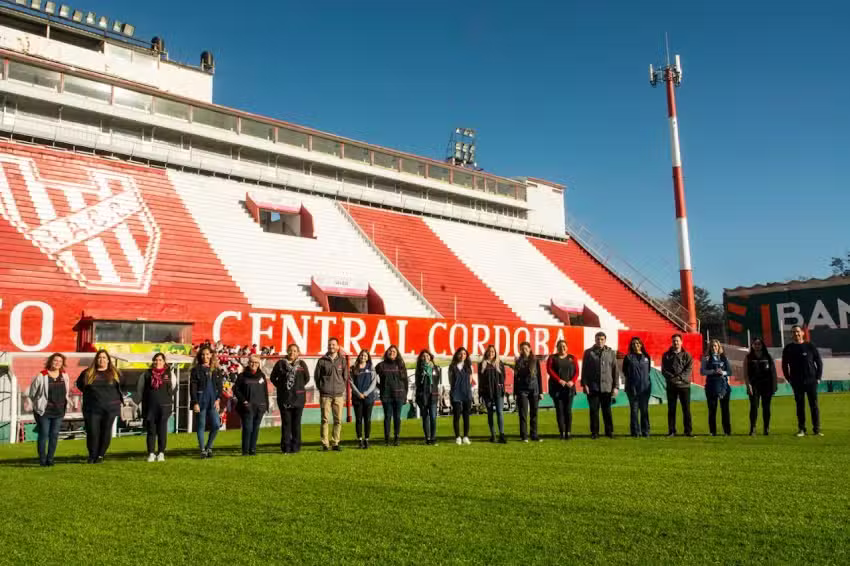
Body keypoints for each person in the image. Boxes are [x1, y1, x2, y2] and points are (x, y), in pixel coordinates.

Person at [76, 349, 124, 464]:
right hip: (92, 409)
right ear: (96, 360)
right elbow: (80, 385)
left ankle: (100, 455)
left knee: (106, 432)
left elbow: (122, 386)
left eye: (104, 357)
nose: (101, 359)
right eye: (99, 357)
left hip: (110, 409)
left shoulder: (115, 373)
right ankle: (92, 455)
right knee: (92, 432)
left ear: (108, 360)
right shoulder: (87, 373)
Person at [28, 353, 72, 467]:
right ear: (50, 362)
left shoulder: (65, 375)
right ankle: (42, 460)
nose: (57, 363)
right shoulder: (42, 375)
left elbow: (66, 392)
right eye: (55, 360)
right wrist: (38, 403)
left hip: (59, 411)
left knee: (54, 435)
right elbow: (32, 393)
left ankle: (50, 459)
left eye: (60, 361)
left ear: (62, 364)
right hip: (45, 411)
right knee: (44, 434)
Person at [782, 325, 823, 437]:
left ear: (803, 333)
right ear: (791, 334)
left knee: (814, 405)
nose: (796, 334)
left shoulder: (810, 346)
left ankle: (817, 429)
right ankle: (802, 429)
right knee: (800, 406)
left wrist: (818, 378)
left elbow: (819, 362)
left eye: (798, 332)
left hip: (811, 381)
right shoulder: (788, 348)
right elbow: (784, 365)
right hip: (797, 381)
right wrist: (789, 378)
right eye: (794, 332)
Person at [136, 353, 176, 462]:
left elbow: (173, 387)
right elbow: (140, 390)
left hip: (164, 407)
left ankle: (161, 453)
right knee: (151, 431)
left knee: (162, 430)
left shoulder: (170, 374)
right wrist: (139, 404)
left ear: (164, 362)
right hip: (150, 407)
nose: (157, 362)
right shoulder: (145, 374)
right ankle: (151, 453)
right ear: (153, 361)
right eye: (156, 360)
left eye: (160, 360)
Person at [271, 344, 310, 453]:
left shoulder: (302, 364)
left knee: (296, 423)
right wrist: (283, 387)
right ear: (287, 351)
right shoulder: (280, 364)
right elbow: (273, 378)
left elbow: (306, 378)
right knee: (286, 423)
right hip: (285, 398)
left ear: (298, 353)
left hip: (298, 397)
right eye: (290, 350)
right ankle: (286, 447)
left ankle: (296, 447)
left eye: (294, 351)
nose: (292, 353)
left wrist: (297, 386)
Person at [581, 332, 620, 439]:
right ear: (595, 340)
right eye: (598, 339)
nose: (600, 341)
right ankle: (594, 432)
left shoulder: (611, 353)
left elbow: (615, 371)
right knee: (594, 411)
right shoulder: (588, 353)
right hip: (593, 387)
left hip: (607, 387)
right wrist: (584, 384)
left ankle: (609, 431)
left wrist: (616, 386)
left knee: (607, 411)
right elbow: (584, 370)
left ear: (605, 340)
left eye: (602, 339)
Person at [189, 345, 225, 458]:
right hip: (200, 400)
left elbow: (220, 386)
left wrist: (218, 399)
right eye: (203, 354)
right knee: (201, 425)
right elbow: (193, 387)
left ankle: (209, 447)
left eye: (207, 354)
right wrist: (195, 402)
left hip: (212, 401)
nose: (205, 356)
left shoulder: (216, 370)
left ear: (211, 355)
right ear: (200, 356)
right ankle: (202, 450)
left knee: (216, 425)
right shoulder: (196, 370)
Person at [314, 337, 349, 451]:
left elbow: (345, 377)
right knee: (325, 420)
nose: (331, 347)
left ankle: (335, 443)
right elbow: (317, 377)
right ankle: (325, 443)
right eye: (329, 345)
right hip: (325, 395)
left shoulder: (343, 361)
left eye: (333, 345)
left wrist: (341, 388)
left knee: (338, 420)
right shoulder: (322, 361)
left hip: (338, 395)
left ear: (338, 347)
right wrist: (323, 388)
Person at [234, 354, 269, 456]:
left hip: (259, 406)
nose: (254, 364)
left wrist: (265, 404)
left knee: (255, 428)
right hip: (247, 407)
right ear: (248, 363)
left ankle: (252, 449)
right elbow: (236, 389)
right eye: (251, 362)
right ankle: (245, 450)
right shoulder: (242, 376)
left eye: (256, 362)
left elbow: (265, 391)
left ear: (259, 364)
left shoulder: (262, 376)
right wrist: (244, 401)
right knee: (247, 428)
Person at [743, 338, 777, 435]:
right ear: (752, 345)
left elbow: (773, 373)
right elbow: (745, 374)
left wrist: (774, 387)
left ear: (762, 345)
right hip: (754, 386)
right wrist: (748, 385)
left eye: (759, 344)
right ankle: (753, 428)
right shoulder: (748, 357)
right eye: (755, 344)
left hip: (767, 386)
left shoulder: (768, 357)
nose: (757, 346)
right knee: (754, 407)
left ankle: (766, 428)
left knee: (766, 408)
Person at [661, 334, 693, 437]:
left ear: (681, 342)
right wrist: (673, 379)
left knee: (686, 409)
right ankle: (671, 431)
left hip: (684, 386)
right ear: (672, 342)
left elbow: (688, 370)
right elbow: (664, 370)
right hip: (671, 386)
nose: (676, 343)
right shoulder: (666, 355)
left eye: (677, 341)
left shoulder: (687, 355)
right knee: (671, 409)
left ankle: (688, 431)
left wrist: (680, 378)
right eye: (674, 341)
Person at [546, 340, 578, 440]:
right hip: (556, 389)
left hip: (569, 389)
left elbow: (577, 371)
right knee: (559, 411)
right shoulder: (552, 358)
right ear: (557, 347)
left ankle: (568, 432)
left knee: (568, 410)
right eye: (560, 346)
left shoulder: (572, 358)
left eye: (564, 346)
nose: (562, 348)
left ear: (567, 347)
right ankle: (562, 432)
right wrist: (559, 380)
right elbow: (549, 370)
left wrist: (572, 381)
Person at [376, 345, 407, 446]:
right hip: (386, 395)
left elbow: (405, 381)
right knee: (387, 417)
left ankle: (397, 438)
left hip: (399, 395)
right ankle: (387, 439)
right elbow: (373, 377)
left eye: (394, 351)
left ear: (397, 353)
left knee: (397, 417)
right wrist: (380, 387)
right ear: (387, 353)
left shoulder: (401, 365)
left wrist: (405, 395)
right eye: (390, 351)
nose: (392, 353)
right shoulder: (381, 365)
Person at [513, 342, 543, 442]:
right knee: (523, 413)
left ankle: (534, 435)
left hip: (534, 389)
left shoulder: (535, 360)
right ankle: (524, 436)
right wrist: (515, 392)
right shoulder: (518, 361)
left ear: (530, 349)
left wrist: (541, 392)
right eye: (522, 349)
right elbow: (516, 377)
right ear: (520, 350)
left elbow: (539, 377)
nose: (524, 350)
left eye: (526, 348)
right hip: (522, 390)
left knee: (534, 413)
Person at [701, 339, 732, 436]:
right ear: (709, 348)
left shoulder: (724, 358)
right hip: (711, 386)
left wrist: (722, 372)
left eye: (715, 346)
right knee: (712, 410)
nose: (714, 348)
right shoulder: (706, 358)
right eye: (712, 346)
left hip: (724, 386)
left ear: (719, 347)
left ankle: (727, 431)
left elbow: (730, 371)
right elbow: (703, 371)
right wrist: (713, 372)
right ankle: (712, 431)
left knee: (725, 410)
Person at [622, 337, 652, 438]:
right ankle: (635, 432)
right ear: (631, 346)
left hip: (645, 388)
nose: (636, 345)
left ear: (641, 344)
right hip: (632, 388)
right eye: (634, 344)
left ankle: (645, 431)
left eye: (638, 343)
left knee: (644, 410)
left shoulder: (646, 356)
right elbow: (625, 372)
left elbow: (648, 371)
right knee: (634, 411)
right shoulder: (628, 357)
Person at [349, 349, 378, 449]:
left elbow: (374, 382)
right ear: (359, 356)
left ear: (368, 357)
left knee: (368, 419)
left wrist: (366, 393)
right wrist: (358, 394)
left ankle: (367, 439)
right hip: (357, 398)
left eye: (365, 356)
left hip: (368, 397)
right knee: (358, 419)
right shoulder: (353, 368)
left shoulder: (371, 368)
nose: (363, 357)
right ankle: (360, 440)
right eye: (361, 355)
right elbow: (351, 382)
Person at [478, 345, 507, 443]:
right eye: (489, 351)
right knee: (490, 413)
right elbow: (480, 379)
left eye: (493, 352)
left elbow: (503, 378)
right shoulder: (482, 364)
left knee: (499, 412)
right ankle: (493, 435)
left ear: (495, 353)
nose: (491, 353)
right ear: (486, 352)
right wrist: (480, 392)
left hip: (498, 392)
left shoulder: (499, 363)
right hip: (487, 392)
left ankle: (502, 435)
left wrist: (501, 387)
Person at [414, 349, 441, 445]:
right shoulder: (419, 369)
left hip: (432, 396)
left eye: (427, 355)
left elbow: (437, 381)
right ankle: (427, 438)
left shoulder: (436, 368)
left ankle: (433, 438)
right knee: (425, 417)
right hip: (423, 396)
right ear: (421, 358)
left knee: (433, 417)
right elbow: (417, 383)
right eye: (423, 356)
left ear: (430, 357)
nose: (426, 357)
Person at [449, 347, 474, 445]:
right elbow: (451, 380)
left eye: (464, 354)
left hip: (466, 393)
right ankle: (458, 437)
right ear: (457, 355)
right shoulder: (452, 366)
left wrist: (467, 388)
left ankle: (466, 436)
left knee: (466, 416)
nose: (462, 355)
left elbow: (471, 379)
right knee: (456, 416)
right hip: (456, 393)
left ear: (466, 355)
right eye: (460, 353)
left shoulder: (468, 366)